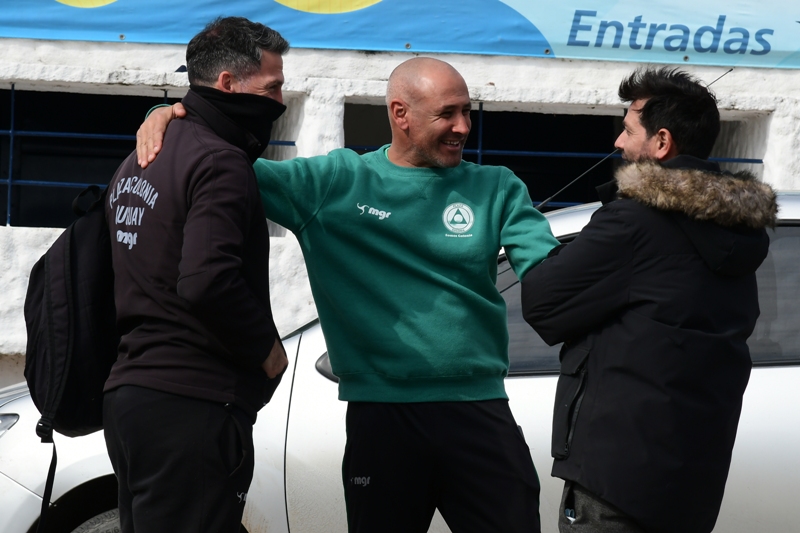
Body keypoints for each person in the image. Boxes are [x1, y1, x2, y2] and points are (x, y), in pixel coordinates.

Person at [137, 56, 559, 532]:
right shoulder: (334, 183)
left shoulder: (496, 186)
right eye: (447, 113)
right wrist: (168, 118)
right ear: (400, 114)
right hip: (381, 421)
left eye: (467, 111)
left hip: (480, 413)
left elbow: (553, 276)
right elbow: (212, 162)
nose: (462, 126)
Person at [521, 67, 778, 533]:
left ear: (661, 143)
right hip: (692, 484)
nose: (618, 143)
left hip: (615, 483)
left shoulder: (635, 221)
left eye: (626, 129)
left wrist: (526, 234)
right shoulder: (740, 230)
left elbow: (542, 303)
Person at [103, 17, 289, 533]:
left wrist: (161, 112)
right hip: (192, 405)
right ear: (228, 84)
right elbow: (207, 280)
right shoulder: (220, 162)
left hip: (130, 402)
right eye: (273, 86)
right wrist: (268, 351)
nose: (281, 99)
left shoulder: (139, 160)